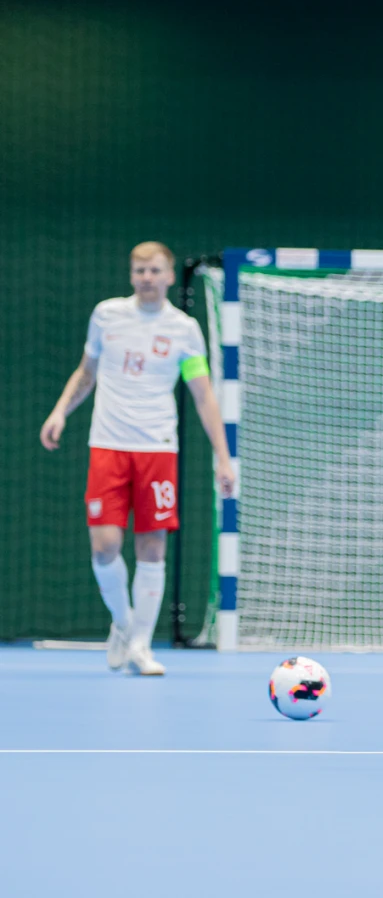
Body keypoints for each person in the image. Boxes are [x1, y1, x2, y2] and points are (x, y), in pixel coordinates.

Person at [40, 242, 237, 675]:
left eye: (155, 270)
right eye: (140, 270)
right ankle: (124, 624)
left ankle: (142, 647)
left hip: (157, 450)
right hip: (108, 445)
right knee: (104, 547)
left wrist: (224, 458)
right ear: (131, 275)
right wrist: (59, 411)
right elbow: (87, 372)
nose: (147, 277)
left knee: (152, 548)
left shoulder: (184, 329)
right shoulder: (106, 315)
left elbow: (203, 396)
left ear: (169, 276)